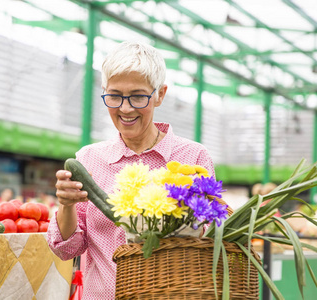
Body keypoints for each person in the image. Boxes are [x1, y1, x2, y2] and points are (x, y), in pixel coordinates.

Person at [47, 41, 215, 300]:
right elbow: (67, 250)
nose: (125, 108)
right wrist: (66, 205)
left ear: (160, 94)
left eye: (138, 96)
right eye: (114, 95)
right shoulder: (89, 158)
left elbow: (208, 239)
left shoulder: (193, 158)